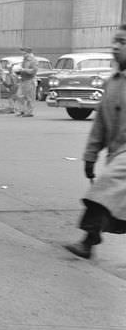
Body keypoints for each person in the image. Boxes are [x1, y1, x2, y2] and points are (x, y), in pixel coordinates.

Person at [64, 25, 126, 259]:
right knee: (111, 198)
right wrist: (90, 156)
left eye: (122, 42)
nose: (115, 46)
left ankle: (88, 241)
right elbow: (100, 124)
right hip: (117, 154)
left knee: (103, 190)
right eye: (115, 41)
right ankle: (89, 240)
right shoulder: (112, 83)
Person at [13, 45, 39, 117]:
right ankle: (21, 110)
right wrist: (18, 72)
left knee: (29, 97)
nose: (22, 54)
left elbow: (34, 71)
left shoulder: (33, 60)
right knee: (19, 95)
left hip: (30, 80)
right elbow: (22, 69)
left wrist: (23, 70)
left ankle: (29, 112)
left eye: (24, 52)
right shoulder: (24, 60)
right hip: (23, 80)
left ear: (28, 53)